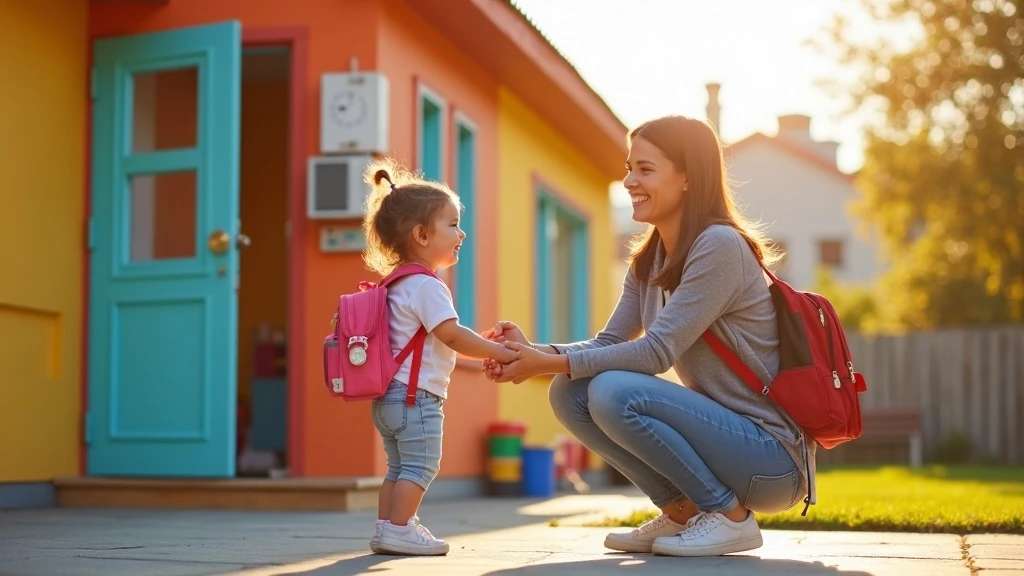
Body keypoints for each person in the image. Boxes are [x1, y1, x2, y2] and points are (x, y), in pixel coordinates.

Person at [482, 115, 814, 557]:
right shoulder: (651, 257)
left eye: (645, 169)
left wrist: (546, 361)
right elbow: (608, 345)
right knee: (569, 390)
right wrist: (536, 353)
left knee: (614, 391)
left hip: (772, 459)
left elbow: (656, 352)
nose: (629, 181)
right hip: (726, 442)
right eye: (628, 168)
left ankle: (730, 518)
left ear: (687, 179)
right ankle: (682, 511)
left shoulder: (720, 246)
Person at [361, 160, 518, 556]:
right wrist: (500, 351)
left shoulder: (396, 283)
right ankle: (400, 529)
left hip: (388, 398)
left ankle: (389, 528)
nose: (461, 232)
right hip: (416, 399)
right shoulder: (427, 285)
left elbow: (433, 342)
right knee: (421, 467)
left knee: (398, 469)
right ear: (421, 235)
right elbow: (450, 334)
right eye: (452, 224)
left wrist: (475, 349)